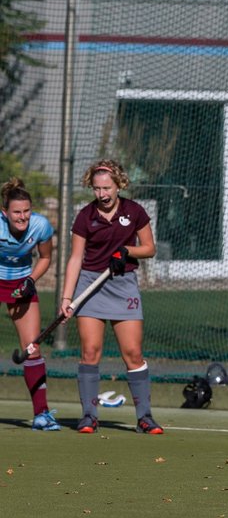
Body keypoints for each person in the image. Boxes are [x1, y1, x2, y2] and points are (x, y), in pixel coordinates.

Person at [59, 159, 163, 435]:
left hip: (123, 284)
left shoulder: (135, 211)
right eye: (96, 188)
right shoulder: (85, 216)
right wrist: (67, 298)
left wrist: (126, 251)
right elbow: (75, 258)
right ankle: (89, 416)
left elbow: (149, 248)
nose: (102, 194)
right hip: (91, 285)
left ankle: (145, 418)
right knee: (90, 352)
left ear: (119, 185)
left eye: (107, 188)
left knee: (133, 353)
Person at [0, 179, 60, 431]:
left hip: (21, 282)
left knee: (32, 348)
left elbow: (45, 257)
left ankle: (41, 415)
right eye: (16, 212)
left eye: (26, 211)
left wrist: (31, 280)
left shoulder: (40, 225)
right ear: (5, 212)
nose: (22, 217)